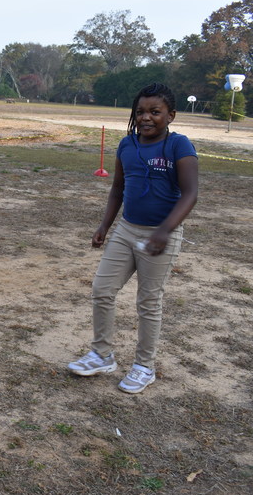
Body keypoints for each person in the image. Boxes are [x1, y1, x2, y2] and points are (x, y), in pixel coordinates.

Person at [68, 83, 198, 394]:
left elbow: (190, 194)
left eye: (155, 112)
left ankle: (144, 366)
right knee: (102, 289)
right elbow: (117, 188)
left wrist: (164, 230)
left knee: (148, 301)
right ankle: (102, 355)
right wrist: (104, 226)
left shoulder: (179, 146)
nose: (145, 117)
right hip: (126, 230)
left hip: (161, 234)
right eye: (140, 112)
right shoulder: (127, 145)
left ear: (171, 115)